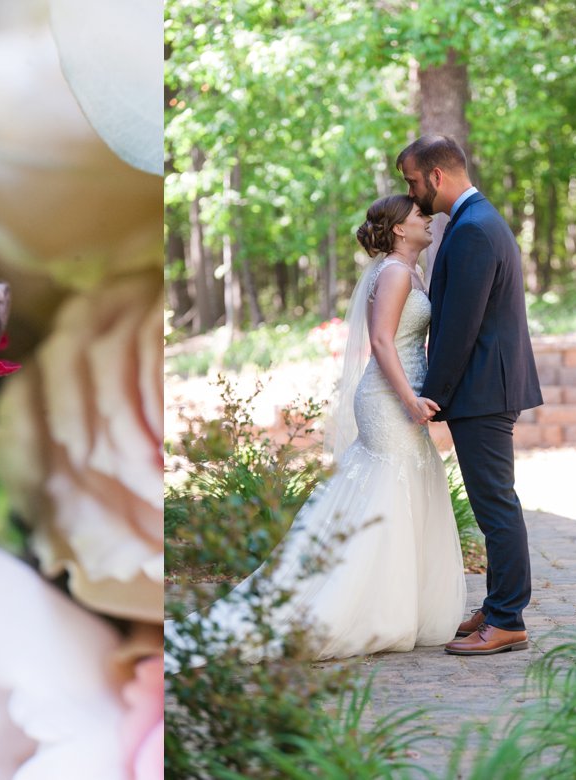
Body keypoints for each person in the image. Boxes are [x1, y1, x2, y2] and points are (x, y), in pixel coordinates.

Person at [165, 194, 466, 670]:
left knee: (399, 489)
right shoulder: (392, 273)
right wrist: (410, 397)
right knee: (387, 489)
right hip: (390, 399)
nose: (427, 220)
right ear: (399, 229)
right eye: (418, 216)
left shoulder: (409, 271)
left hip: (402, 394)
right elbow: (382, 341)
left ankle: (394, 604)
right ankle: (358, 609)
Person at [397, 135, 542, 656]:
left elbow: (460, 325)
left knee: (495, 503)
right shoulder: (475, 221)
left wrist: (430, 396)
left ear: (437, 176)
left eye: (413, 181)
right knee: (492, 502)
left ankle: (507, 619)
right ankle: (498, 603)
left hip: (484, 388)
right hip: (487, 385)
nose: (411, 194)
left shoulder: (475, 229)